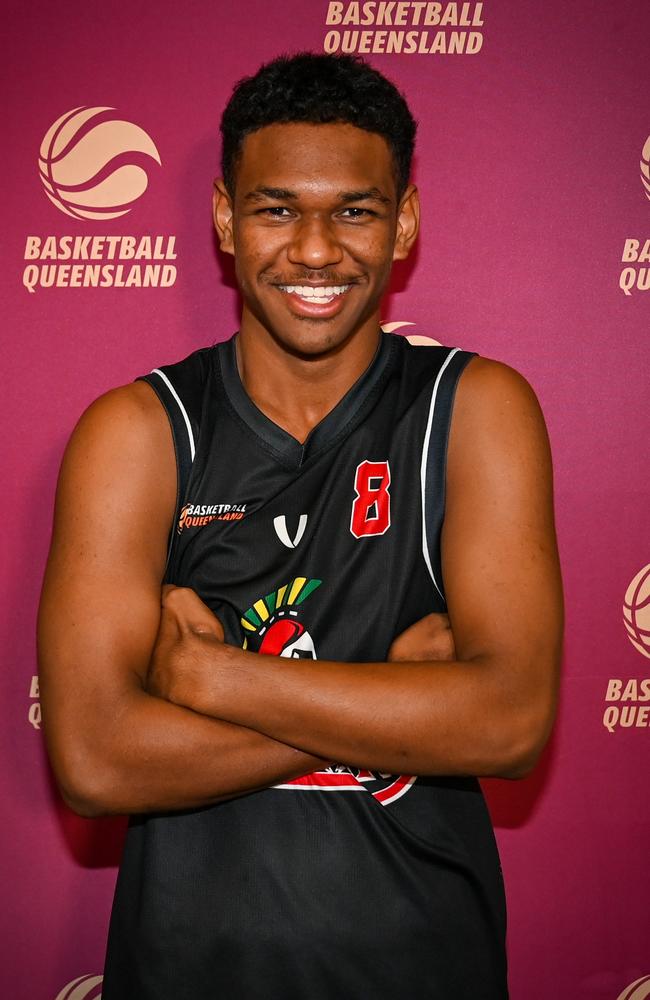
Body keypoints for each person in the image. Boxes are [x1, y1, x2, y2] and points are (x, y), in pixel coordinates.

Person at [38, 53, 563, 999]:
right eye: (277, 208)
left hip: (424, 966)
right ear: (223, 219)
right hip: (187, 969)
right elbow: (96, 760)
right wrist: (406, 710)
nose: (315, 251)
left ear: (403, 221)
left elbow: (511, 722)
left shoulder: (476, 410)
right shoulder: (140, 432)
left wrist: (215, 679)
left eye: (354, 210)